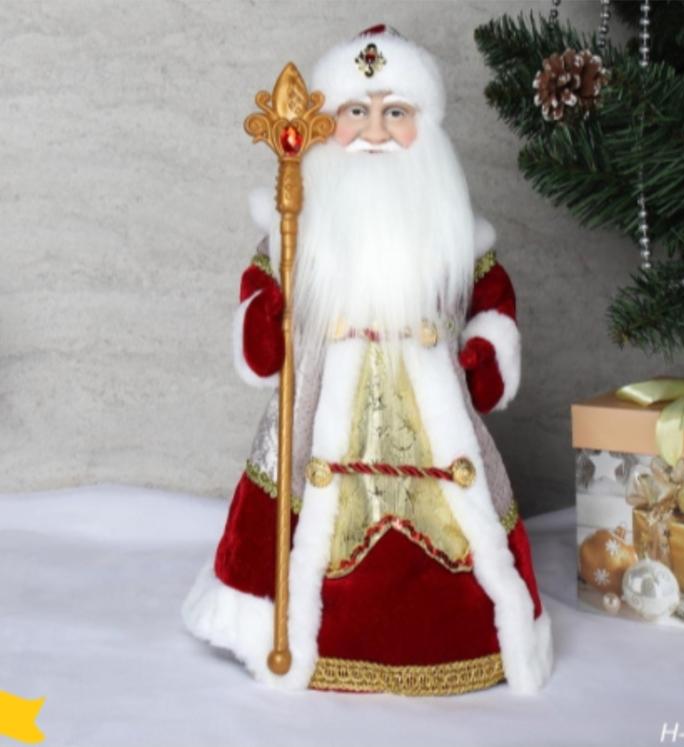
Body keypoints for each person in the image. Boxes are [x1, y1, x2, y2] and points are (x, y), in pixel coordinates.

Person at [182, 25, 552, 696]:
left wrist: (485, 356)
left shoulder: (457, 235)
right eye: (357, 111)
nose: (375, 132)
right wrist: (267, 319)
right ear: (327, 123)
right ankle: (289, 630)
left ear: (425, 125)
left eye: (396, 112)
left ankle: (460, 638)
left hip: (435, 427)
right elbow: (260, 344)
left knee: (462, 538)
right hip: (321, 422)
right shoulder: (296, 229)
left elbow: (493, 305)